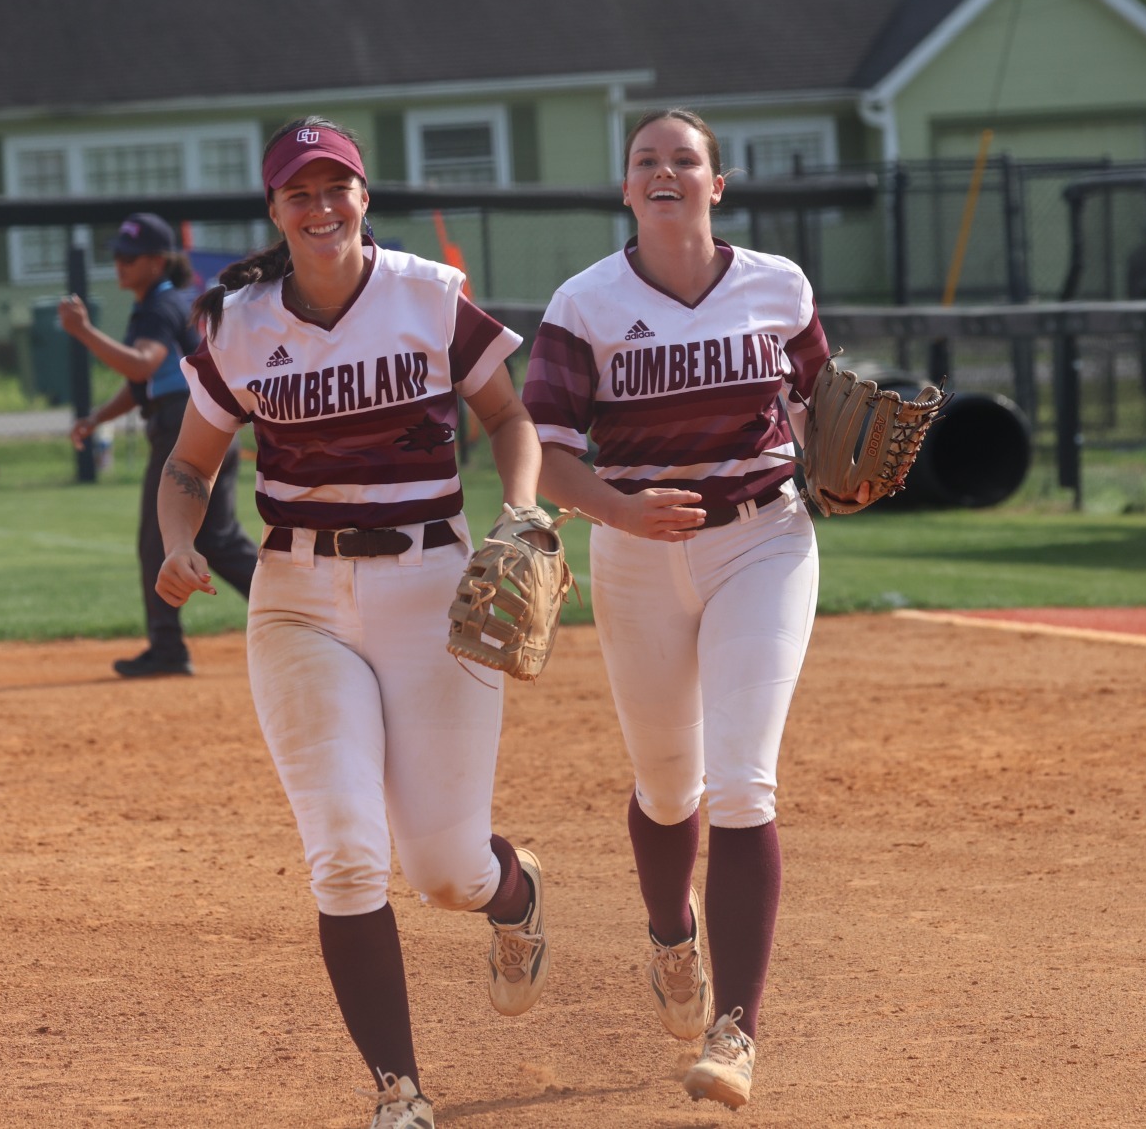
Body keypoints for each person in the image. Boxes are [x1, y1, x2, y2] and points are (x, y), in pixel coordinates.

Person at [153, 118, 549, 1129]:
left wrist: (522, 510)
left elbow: (508, 417)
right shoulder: (239, 323)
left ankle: (511, 894)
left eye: (338, 187)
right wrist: (180, 539)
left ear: (364, 197)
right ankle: (399, 1092)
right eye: (300, 191)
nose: (321, 206)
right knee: (343, 851)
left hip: (431, 586)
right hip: (298, 596)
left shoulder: (428, 294)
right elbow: (191, 464)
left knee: (445, 871)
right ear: (275, 210)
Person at [523, 107, 845, 1110]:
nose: (665, 171)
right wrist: (619, 509)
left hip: (762, 538)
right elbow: (545, 454)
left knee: (742, 781)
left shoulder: (778, 286)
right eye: (646, 161)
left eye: (684, 159)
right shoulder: (585, 303)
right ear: (627, 188)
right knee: (668, 787)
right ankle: (672, 932)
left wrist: (842, 467)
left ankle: (735, 1029)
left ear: (717, 183)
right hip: (634, 553)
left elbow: (819, 410)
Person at [61, 213, 259, 678]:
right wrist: (97, 418)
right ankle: (300, 613)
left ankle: (168, 648)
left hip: (184, 432)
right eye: (117, 255)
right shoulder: (170, 302)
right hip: (205, 424)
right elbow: (146, 384)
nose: (120, 264)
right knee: (219, 540)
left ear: (157, 261)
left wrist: (83, 331)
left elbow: (142, 365)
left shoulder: (159, 306)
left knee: (158, 542)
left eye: (130, 257)